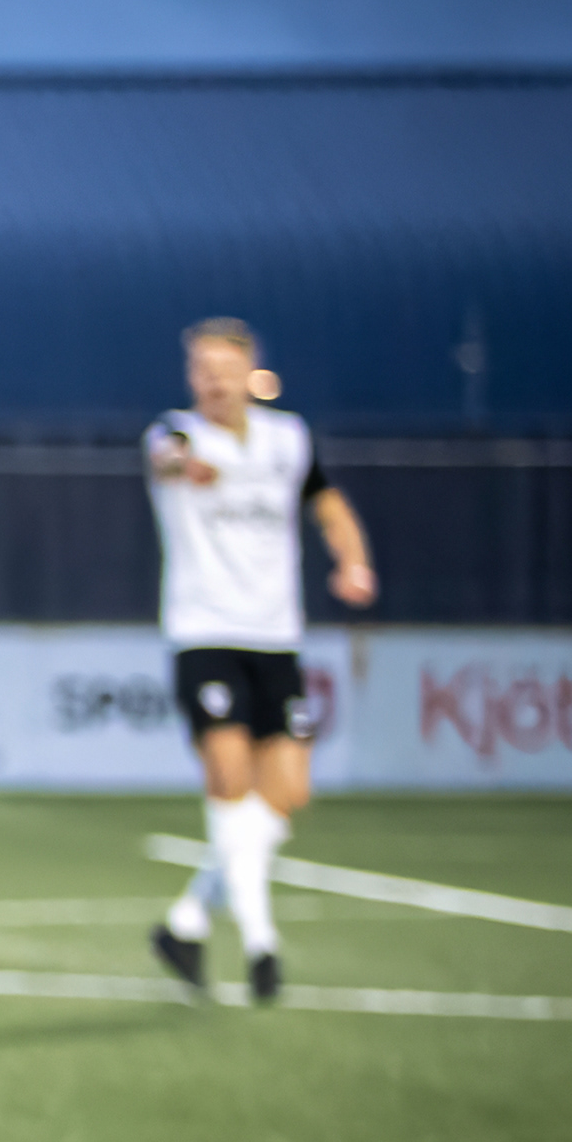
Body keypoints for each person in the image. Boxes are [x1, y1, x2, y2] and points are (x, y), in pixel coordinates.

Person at [145, 319, 376, 1004]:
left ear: (251, 374)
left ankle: (187, 921)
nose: (213, 381)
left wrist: (352, 559)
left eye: (224, 369)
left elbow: (329, 505)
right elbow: (168, 459)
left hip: (276, 639)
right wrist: (188, 467)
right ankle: (260, 941)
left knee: (287, 794)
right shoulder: (176, 432)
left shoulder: (288, 439)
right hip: (205, 634)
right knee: (229, 779)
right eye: (202, 369)